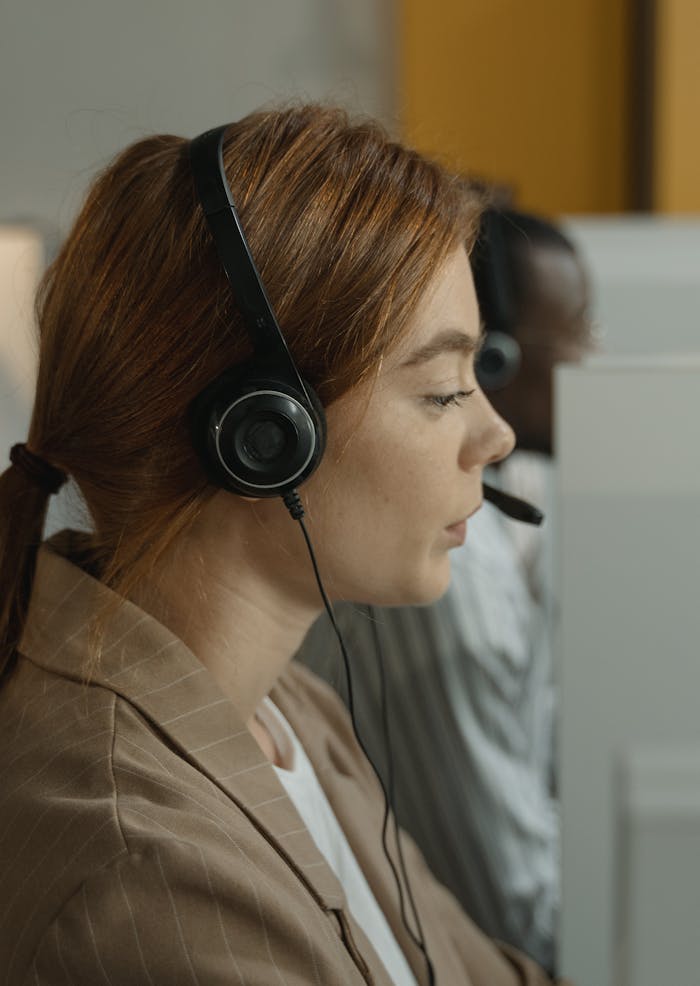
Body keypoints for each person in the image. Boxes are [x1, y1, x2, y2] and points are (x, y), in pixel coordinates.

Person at [0, 106, 571, 985]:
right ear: (264, 437)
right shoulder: (145, 881)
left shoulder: (286, 711)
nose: (494, 437)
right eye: (441, 392)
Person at [299, 205, 592, 974]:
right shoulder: (437, 596)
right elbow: (521, 919)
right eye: (441, 389)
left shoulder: (498, 527)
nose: (591, 361)